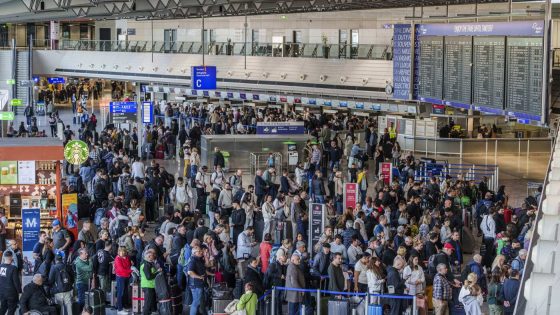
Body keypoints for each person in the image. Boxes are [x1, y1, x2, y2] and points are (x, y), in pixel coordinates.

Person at [0, 251, 22, 315]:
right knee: (11, 309)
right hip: (11, 293)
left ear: (4, 257)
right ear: (11, 257)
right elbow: (16, 282)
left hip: (2, 292)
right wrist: (20, 292)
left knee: (3, 308)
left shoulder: (0, 266)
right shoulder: (13, 268)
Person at [187, 246, 207, 315]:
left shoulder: (199, 259)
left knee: (197, 301)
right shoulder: (193, 260)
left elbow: (206, 267)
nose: (201, 252)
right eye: (199, 251)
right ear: (194, 253)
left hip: (199, 284)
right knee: (196, 302)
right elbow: (190, 272)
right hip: (195, 284)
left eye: (201, 251)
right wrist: (199, 277)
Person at [114, 247, 133, 314]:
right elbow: (121, 269)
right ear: (118, 252)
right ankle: (119, 309)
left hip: (126, 276)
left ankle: (124, 307)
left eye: (124, 251)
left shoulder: (127, 257)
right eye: (121, 251)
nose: (123, 253)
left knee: (125, 292)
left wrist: (131, 266)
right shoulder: (117, 259)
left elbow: (128, 265)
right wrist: (131, 270)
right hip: (120, 277)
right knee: (120, 293)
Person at [141, 249, 159, 315]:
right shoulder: (145, 265)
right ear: (148, 256)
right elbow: (148, 277)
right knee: (147, 304)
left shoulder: (149, 263)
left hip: (151, 286)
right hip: (147, 286)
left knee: (151, 302)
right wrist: (157, 273)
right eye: (152, 256)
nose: (154, 256)